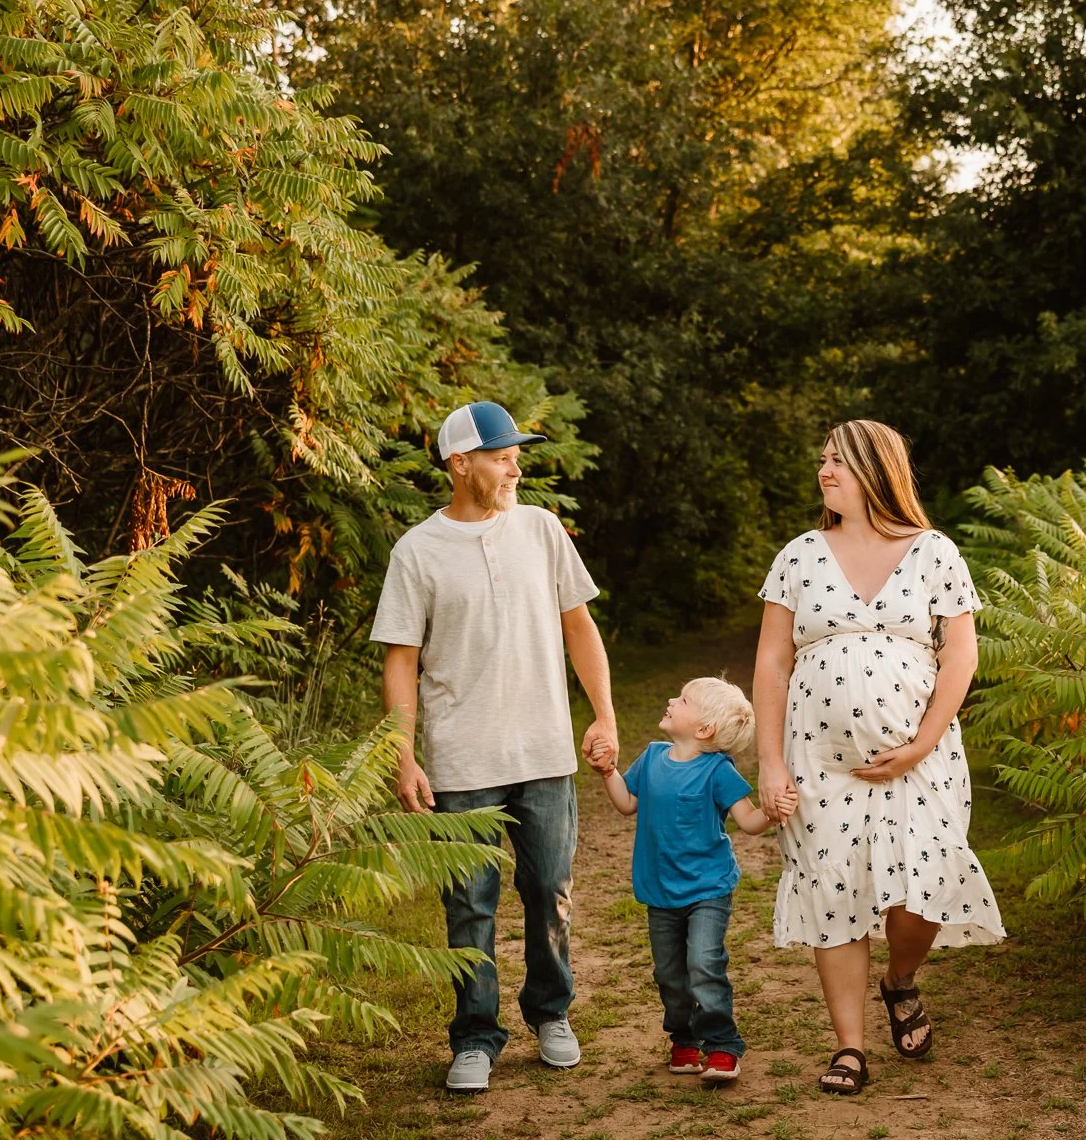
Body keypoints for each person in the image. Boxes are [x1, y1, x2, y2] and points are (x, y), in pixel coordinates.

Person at [372, 400, 619, 1094]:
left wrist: (604, 714)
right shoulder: (417, 552)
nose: (516, 464)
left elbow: (580, 628)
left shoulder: (541, 530)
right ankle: (475, 1036)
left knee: (549, 890)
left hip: (544, 752)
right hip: (462, 760)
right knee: (470, 906)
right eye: (502, 454)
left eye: (517, 453)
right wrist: (404, 754)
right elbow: (399, 660)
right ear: (460, 463)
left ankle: (551, 1013)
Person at [753, 419, 1004, 1095]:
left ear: (876, 470)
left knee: (921, 894)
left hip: (920, 756)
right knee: (833, 892)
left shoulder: (934, 552)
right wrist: (770, 761)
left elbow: (962, 653)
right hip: (819, 760)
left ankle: (901, 979)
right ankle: (849, 1046)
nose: (825, 471)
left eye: (839, 461)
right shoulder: (799, 555)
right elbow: (773, 663)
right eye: (823, 460)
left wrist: (920, 742)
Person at [592, 678, 793, 1084]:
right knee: (669, 972)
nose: (671, 699)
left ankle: (722, 1045)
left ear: (704, 730)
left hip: (708, 889)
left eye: (682, 700)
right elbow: (627, 803)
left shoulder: (718, 770)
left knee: (703, 963)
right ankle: (683, 1038)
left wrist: (774, 810)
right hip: (660, 889)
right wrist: (608, 771)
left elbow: (750, 821)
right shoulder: (651, 757)